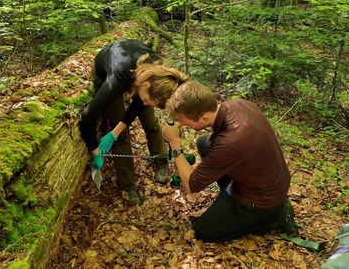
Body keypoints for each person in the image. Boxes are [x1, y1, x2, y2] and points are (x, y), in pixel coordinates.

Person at [162, 80, 298, 242]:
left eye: (184, 121)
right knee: (204, 143)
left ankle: (273, 219)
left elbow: (192, 185)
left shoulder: (231, 142)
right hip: (271, 182)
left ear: (204, 118)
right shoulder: (240, 104)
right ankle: (239, 203)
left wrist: (175, 144)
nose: (183, 124)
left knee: (204, 231)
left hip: (259, 200)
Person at [79, 39, 188, 205]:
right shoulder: (117, 79)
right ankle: (127, 185)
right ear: (144, 85)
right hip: (107, 74)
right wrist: (96, 151)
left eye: (147, 101)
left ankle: (160, 159)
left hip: (134, 72)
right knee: (121, 136)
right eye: (146, 100)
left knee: (151, 123)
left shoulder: (156, 73)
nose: (144, 104)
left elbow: (138, 105)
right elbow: (87, 118)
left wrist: (113, 133)